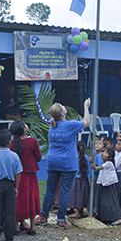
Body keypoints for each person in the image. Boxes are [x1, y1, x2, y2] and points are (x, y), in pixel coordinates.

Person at [36, 98, 91, 229]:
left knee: (50, 190)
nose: (64, 106)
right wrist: (86, 106)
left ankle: (44, 216)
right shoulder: (69, 125)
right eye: (62, 106)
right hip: (67, 163)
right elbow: (86, 122)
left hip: (52, 161)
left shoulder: (52, 125)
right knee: (65, 192)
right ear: (62, 113)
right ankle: (61, 219)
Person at [0, 129, 23, 241]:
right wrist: (15, 186)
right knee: (10, 211)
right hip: (9, 184)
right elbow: (18, 173)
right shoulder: (14, 156)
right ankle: (9, 236)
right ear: (9, 142)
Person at [10, 120, 41, 235]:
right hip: (30, 175)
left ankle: (16, 226)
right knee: (32, 198)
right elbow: (38, 157)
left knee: (18, 199)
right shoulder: (32, 141)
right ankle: (32, 227)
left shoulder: (12, 144)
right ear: (24, 129)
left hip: (17, 176)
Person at [91, 147, 121, 225]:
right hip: (104, 184)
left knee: (111, 201)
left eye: (106, 153)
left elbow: (99, 168)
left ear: (110, 157)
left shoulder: (109, 163)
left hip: (109, 185)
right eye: (103, 152)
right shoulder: (105, 163)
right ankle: (105, 217)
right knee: (104, 201)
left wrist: (94, 167)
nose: (103, 153)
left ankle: (117, 217)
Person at [67, 141, 89, 219]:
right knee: (82, 194)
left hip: (76, 179)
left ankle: (77, 212)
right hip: (84, 179)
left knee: (76, 194)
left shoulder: (76, 157)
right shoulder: (85, 157)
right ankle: (81, 210)